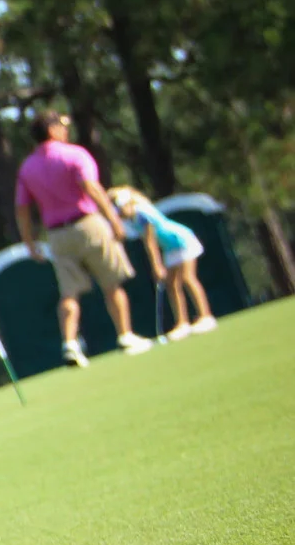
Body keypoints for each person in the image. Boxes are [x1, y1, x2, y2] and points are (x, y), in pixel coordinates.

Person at [13, 111, 150, 365]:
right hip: (88, 225)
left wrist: (29, 243)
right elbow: (91, 188)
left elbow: (22, 209)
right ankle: (125, 335)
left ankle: (70, 344)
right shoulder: (75, 154)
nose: (66, 131)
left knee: (69, 293)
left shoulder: (27, 167)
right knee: (112, 284)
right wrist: (114, 220)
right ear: (52, 130)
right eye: (62, 126)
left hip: (57, 235)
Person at [111, 187, 218, 338]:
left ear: (126, 205)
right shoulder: (134, 217)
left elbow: (150, 242)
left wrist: (157, 266)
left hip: (181, 240)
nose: (120, 215)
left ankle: (206, 317)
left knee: (188, 278)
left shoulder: (142, 213)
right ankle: (182, 323)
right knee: (172, 285)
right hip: (170, 247)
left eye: (120, 211)